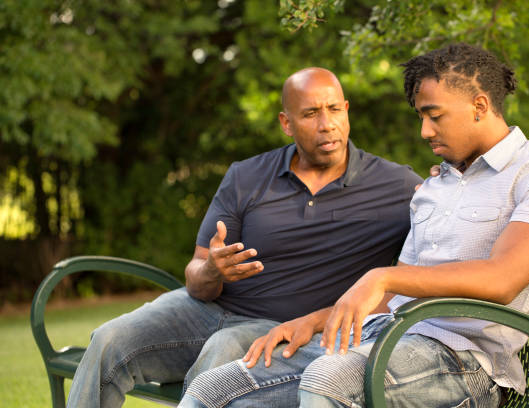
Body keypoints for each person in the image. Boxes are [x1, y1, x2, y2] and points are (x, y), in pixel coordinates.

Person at [178, 43, 529, 408]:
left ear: (479, 105)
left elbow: (503, 279)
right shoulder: (436, 186)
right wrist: (310, 322)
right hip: (381, 339)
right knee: (215, 387)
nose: (425, 131)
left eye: (434, 116)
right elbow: (393, 298)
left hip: (461, 361)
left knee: (327, 379)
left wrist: (381, 277)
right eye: (422, 117)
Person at [65, 67, 423, 408]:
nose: (326, 124)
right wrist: (212, 271)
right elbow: (196, 276)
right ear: (287, 123)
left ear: (346, 111)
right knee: (109, 340)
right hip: (203, 310)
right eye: (310, 113)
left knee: (221, 353)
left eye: (333, 110)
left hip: (284, 327)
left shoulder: (397, 186)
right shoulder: (247, 176)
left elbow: (446, 218)